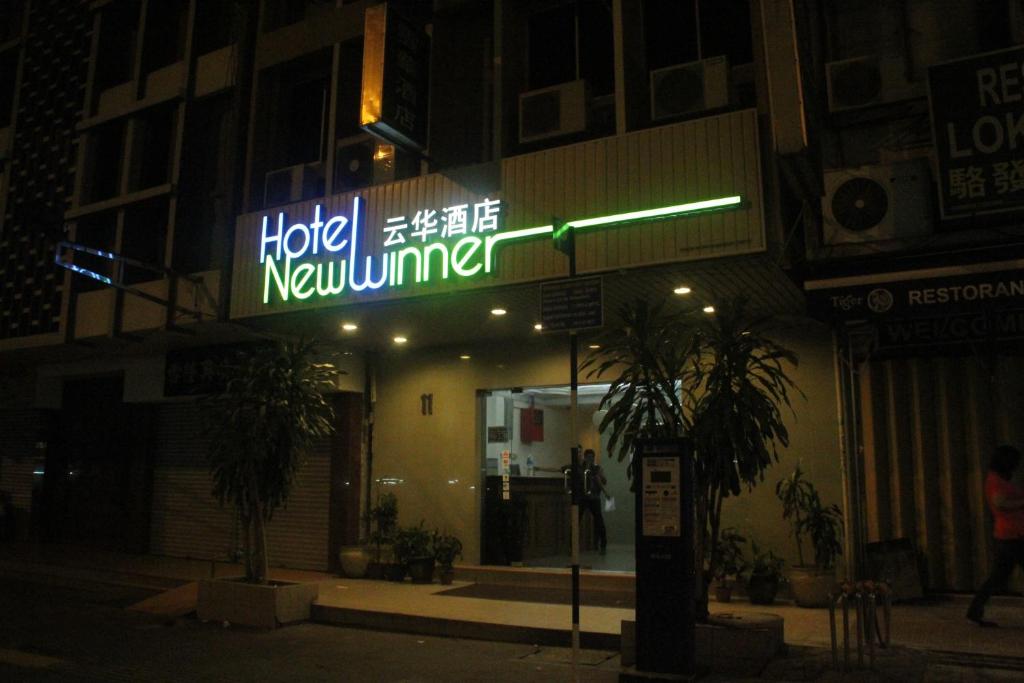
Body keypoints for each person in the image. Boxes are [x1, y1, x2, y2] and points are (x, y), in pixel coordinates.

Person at [966, 444, 1024, 627]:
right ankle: (974, 610)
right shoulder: (996, 481)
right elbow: (1001, 503)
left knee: (998, 576)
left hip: (1007, 534)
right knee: (998, 576)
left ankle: (975, 610)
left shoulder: (996, 479)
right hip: (1013, 535)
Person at [537, 448, 609, 553]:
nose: (590, 460)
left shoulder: (596, 468)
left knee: (599, 521)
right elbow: (559, 469)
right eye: (588, 457)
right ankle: (572, 546)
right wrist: (540, 468)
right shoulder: (578, 467)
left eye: (592, 458)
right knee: (576, 521)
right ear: (585, 457)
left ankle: (602, 545)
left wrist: (600, 478)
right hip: (582, 498)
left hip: (593, 498)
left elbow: (603, 481)